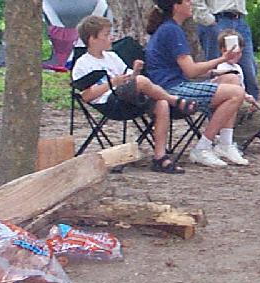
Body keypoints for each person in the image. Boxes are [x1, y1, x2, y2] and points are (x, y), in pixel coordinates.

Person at [72, 15, 195, 174]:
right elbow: (86, 96)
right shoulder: (83, 64)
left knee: (160, 103)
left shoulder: (112, 57)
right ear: (92, 39)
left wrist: (135, 70)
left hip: (128, 97)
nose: (111, 37)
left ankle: (160, 157)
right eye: (106, 34)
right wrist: (112, 83)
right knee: (142, 82)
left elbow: (129, 78)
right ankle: (174, 100)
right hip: (110, 101)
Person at [145, 0, 248, 168]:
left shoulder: (170, 28)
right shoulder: (171, 30)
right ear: (176, 6)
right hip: (171, 90)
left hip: (175, 83)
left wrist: (217, 71)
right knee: (236, 93)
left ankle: (225, 144)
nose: (190, 3)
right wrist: (222, 59)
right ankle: (203, 147)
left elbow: (186, 70)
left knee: (232, 79)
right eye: (186, 0)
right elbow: (191, 71)